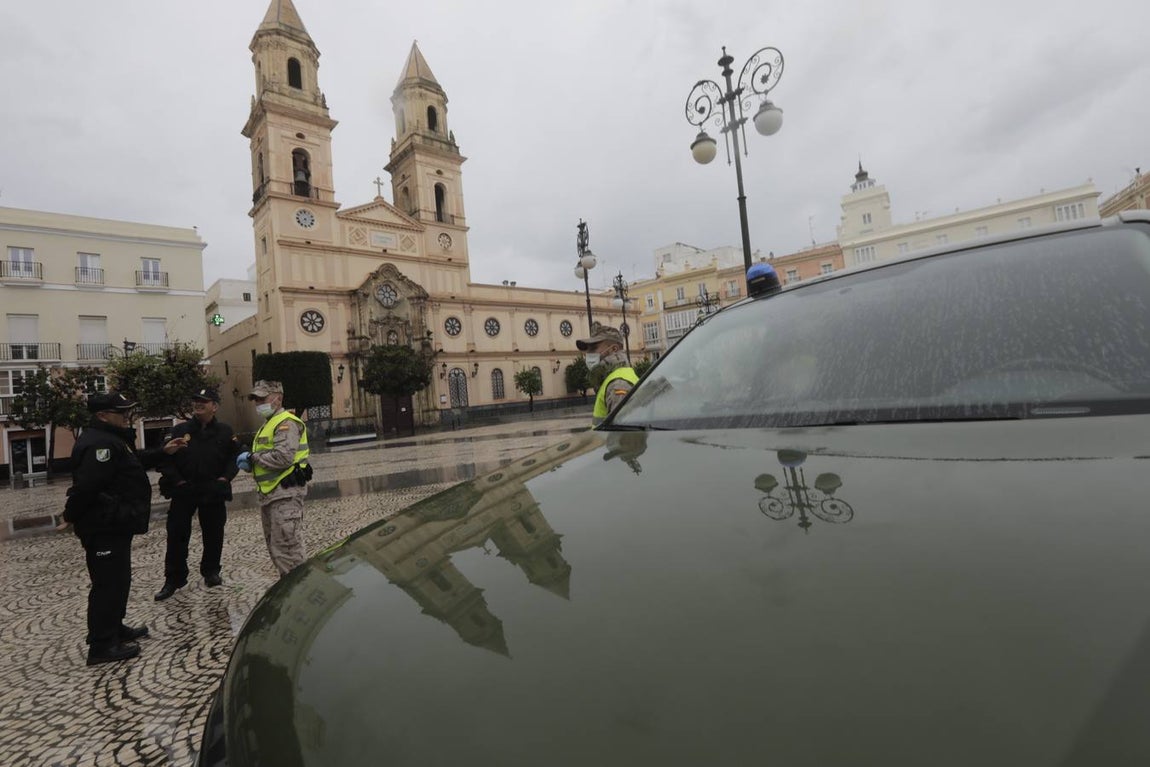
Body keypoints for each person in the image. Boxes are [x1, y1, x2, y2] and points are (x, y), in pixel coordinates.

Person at [58, 391, 181, 666]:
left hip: (116, 523)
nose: (126, 417)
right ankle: (101, 645)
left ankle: (114, 627)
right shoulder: (98, 444)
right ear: (103, 415)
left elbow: (130, 464)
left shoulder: (111, 440)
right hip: (103, 525)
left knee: (119, 579)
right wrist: (69, 515)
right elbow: (87, 487)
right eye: (121, 413)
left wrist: (162, 452)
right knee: (107, 583)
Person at [153, 387, 241, 601]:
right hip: (184, 491)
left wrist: (225, 478)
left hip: (213, 490)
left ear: (214, 406)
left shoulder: (225, 431)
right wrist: (178, 481)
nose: (198, 404)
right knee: (177, 535)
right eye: (196, 401)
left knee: (214, 533)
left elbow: (235, 457)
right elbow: (166, 460)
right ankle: (174, 578)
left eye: (204, 401)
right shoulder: (180, 430)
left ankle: (211, 571)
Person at [235, 380, 312, 577]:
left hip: (285, 494)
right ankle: (290, 592)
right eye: (256, 399)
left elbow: (283, 457)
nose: (258, 403)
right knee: (277, 550)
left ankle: (298, 594)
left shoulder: (286, 423)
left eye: (263, 398)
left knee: (288, 551)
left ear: (278, 398)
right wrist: (252, 463)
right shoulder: (268, 424)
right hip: (271, 495)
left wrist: (253, 458)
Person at [576, 321, 639, 427]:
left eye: (593, 348)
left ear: (614, 349)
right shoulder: (615, 377)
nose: (588, 354)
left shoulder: (618, 384)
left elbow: (622, 436)